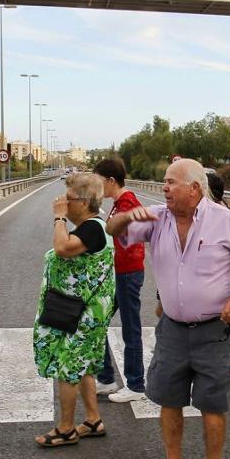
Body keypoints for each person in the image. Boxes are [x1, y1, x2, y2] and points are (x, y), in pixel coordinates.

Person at [107, 158, 230, 459]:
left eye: (171, 182)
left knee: (212, 404)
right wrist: (126, 216)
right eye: (164, 182)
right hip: (171, 329)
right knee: (169, 400)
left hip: (213, 330)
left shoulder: (227, 221)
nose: (164, 188)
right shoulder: (156, 218)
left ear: (195, 188)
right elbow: (114, 231)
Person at [32, 173, 118, 448]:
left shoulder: (93, 227)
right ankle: (93, 420)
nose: (63, 203)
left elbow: (62, 248)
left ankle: (66, 428)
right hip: (85, 310)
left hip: (81, 313)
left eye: (68, 199)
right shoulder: (91, 227)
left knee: (67, 366)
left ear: (84, 201)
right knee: (84, 367)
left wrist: (58, 218)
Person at [93, 158, 148, 403]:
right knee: (97, 321)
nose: (97, 188)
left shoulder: (127, 203)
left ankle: (136, 385)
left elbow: (130, 238)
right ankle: (106, 378)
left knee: (130, 328)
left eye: (99, 182)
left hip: (128, 272)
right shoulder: (118, 203)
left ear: (111, 181)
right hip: (118, 271)